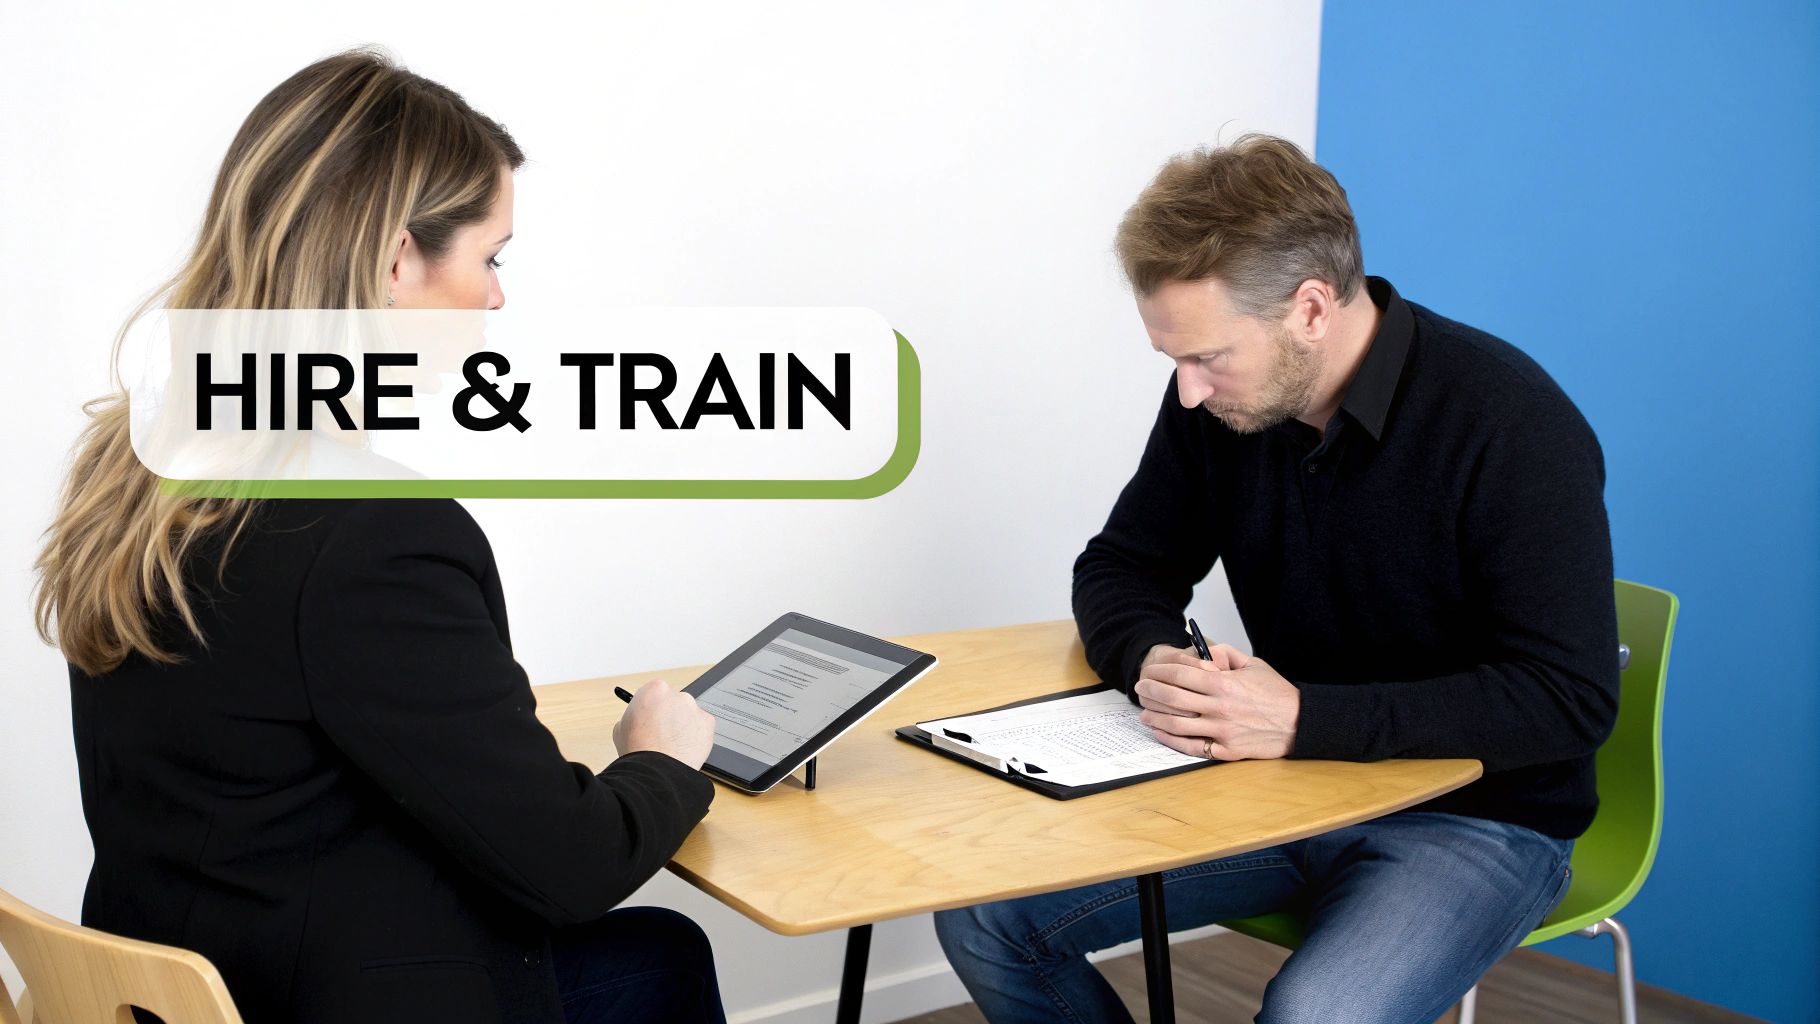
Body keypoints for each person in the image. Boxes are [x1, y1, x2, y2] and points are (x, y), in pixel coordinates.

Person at [34, 49, 726, 1024]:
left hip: (185, 990)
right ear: (397, 260)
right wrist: (658, 759)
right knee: (658, 957)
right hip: (331, 997)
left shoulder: (137, 464)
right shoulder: (373, 535)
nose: (496, 298)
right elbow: (573, 869)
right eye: (489, 257)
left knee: (648, 957)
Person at [933, 135, 1618, 1023]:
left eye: (1209, 356)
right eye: (1171, 360)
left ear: (1309, 308)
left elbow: (1569, 698)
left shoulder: (1511, 422)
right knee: (987, 917)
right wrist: (1149, 659)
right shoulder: (1220, 407)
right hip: (1277, 790)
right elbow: (1123, 565)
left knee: (1314, 1016)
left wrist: (1303, 718)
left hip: (1477, 815)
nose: (1185, 391)